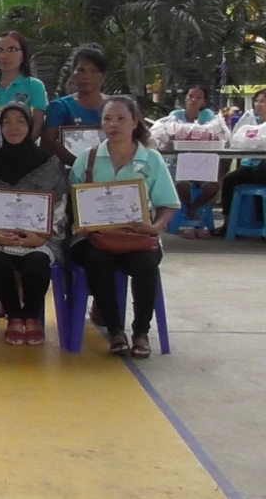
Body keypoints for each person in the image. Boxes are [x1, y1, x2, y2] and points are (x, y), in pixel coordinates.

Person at [70, 96, 179, 358]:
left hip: (138, 237)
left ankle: (141, 332)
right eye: (107, 119)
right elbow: (72, 199)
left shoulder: (151, 159)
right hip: (95, 238)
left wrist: (155, 227)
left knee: (145, 263)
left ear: (135, 122)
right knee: (96, 261)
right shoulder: (87, 158)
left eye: (121, 118)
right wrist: (81, 222)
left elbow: (168, 204)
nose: (113, 124)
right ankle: (115, 330)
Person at [0, 103, 68, 345]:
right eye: (7, 122)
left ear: (31, 126)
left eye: (20, 121)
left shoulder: (49, 163)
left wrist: (41, 237)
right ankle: (14, 316)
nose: (13, 127)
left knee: (37, 262)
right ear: (1, 128)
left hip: (39, 238)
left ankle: (31, 317)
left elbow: (60, 205)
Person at [40, 44, 109, 166]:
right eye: (81, 70)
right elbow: (47, 143)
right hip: (70, 173)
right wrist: (80, 166)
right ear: (73, 74)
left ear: (103, 77)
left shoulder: (118, 106)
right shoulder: (60, 107)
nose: (86, 76)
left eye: (93, 71)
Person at [166, 85, 221, 236]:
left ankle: (192, 209)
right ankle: (192, 216)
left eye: (198, 97)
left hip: (202, 163)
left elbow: (215, 135)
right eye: (191, 96)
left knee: (213, 186)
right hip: (178, 163)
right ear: (185, 99)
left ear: (203, 101)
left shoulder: (209, 117)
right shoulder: (175, 116)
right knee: (181, 184)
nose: (194, 100)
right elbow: (169, 137)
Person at [0, 31, 48, 136]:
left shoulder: (35, 86)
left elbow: (36, 127)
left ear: (23, 55)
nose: (4, 55)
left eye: (12, 49)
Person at [214, 88, 266, 236]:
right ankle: (228, 222)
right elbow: (236, 141)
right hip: (250, 165)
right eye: (257, 101)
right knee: (230, 180)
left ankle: (261, 223)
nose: (259, 104)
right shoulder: (249, 120)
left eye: (263, 101)